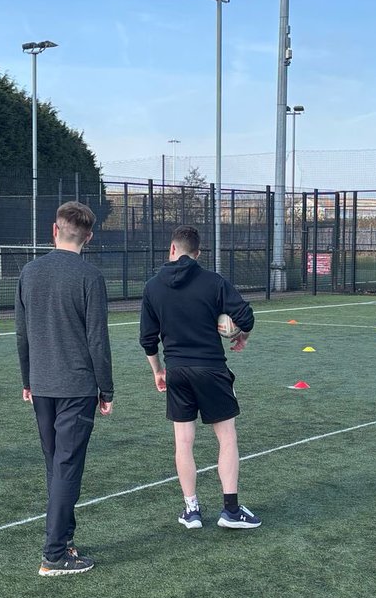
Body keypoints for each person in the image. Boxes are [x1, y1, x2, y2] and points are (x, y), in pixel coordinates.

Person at [139, 225, 261, 531]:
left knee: (183, 440)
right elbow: (246, 316)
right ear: (198, 254)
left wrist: (158, 371)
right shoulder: (213, 282)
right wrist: (241, 336)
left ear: (171, 249)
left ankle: (191, 510)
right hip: (211, 369)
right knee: (227, 436)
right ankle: (230, 511)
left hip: (177, 371)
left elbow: (147, 340)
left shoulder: (153, 287)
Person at [15, 201, 114, 577]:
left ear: (54, 231)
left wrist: (27, 379)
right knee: (67, 467)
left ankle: (64, 540)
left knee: (56, 465)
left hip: (42, 384)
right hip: (76, 385)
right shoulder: (90, 276)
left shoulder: (29, 271)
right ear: (88, 237)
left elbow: (21, 334)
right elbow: (97, 341)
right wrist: (107, 389)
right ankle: (54, 554)